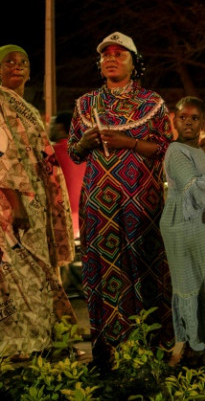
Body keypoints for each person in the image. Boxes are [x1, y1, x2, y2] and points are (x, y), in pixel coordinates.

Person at [68, 32, 175, 368]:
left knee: (147, 271)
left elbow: (164, 149)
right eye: (106, 55)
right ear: (100, 64)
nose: (111, 59)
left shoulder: (152, 103)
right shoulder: (85, 105)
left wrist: (127, 142)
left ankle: (154, 350)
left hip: (143, 204)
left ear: (134, 61)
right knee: (103, 271)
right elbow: (73, 153)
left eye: (120, 54)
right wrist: (86, 140)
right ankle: (107, 354)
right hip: (99, 206)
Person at [0, 44, 78, 361]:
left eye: (23, 62)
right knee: (20, 275)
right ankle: (21, 346)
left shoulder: (26, 109)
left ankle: (43, 340)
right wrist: (16, 205)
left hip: (36, 206)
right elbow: (3, 157)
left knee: (39, 275)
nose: (17, 66)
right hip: (10, 207)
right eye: (9, 61)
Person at [161, 96, 205, 367]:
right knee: (189, 286)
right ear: (174, 120)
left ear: (203, 123)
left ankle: (197, 347)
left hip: (200, 225)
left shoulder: (196, 150)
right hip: (183, 224)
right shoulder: (175, 151)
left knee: (201, 284)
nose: (188, 122)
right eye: (183, 117)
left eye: (194, 118)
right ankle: (192, 350)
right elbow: (193, 190)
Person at [50, 111, 86, 240]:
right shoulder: (85, 152)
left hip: (61, 223)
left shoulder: (52, 152)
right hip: (84, 222)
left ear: (59, 127)